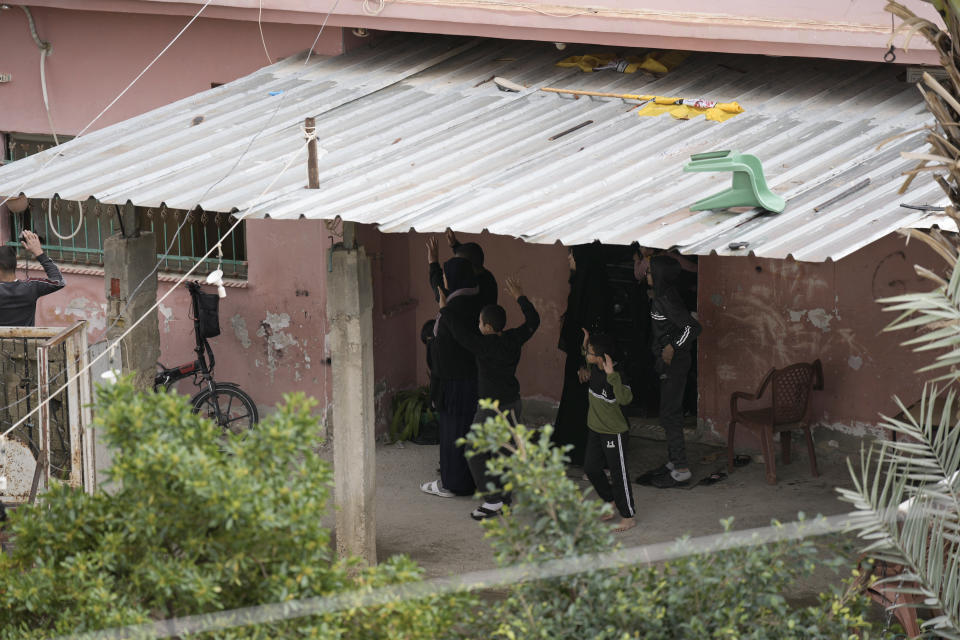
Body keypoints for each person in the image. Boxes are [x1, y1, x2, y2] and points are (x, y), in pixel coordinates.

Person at [442, 275, 540, 520]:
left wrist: (444, 309)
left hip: (491, 408)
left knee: (474, 450)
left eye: (480, 322)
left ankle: (493, 500)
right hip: (513, 403)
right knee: (504, 452)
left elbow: (459, 333)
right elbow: (534, 321)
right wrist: (520, 296)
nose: (477, 324)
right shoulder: (513, 339)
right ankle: (504, 498)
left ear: (486, 327)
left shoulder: (482, 345)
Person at [420, 244, 483, 499]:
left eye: (446, 275)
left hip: (453, 384)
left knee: (452, 433)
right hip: (472, 380)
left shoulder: (452, 311)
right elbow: (440, 288)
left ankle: (453, 484)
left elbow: (443, 352)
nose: (443, 280)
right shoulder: (473, 299)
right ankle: (470, 477)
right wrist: (433, 262)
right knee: (468, 431)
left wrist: (430, 340)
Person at [638, 254, 702, 489]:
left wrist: (673, 346)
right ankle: (674, 461)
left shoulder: (666, 299)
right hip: (668, 363)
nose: (647, 275)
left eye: (650, 272)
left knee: (670, 414)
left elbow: (692, 327)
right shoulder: (663, 297)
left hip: (675, 364)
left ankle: (681, 468)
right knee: (667, 413)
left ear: (660, 275)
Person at [554, 243, 610, 466]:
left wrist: (584, 361)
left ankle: (585, 456)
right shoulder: (583, 285)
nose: (569, 258)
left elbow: (590, 328)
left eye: (572, 254)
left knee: (584, 407)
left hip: (586, 359)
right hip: (580, 358)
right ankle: (574, 452)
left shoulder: (593, 291)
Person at [581, 330, 636, 533]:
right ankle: (610, 500)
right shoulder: (594, 366)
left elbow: (625, 399)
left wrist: (612, 377)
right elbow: (586, 359)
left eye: (590, 351)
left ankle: (628, 516)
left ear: (601, 356)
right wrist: (585, 343)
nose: (587, 353)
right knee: (591, 468)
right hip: (595, 428)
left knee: (618, 473)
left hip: (614, 432)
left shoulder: (617, 375)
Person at [0, 230, 65, 327]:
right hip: (26, 341)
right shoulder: (31, 287)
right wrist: (39, 253)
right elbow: (58, 282)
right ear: (14, 264)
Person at [430, 229, 498, 308]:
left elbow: (442, 295)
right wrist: (455, 245)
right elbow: (470, 256)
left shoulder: (466, 290)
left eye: (458, 264)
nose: (455, 266)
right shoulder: (488, 278)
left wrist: (433, 263)